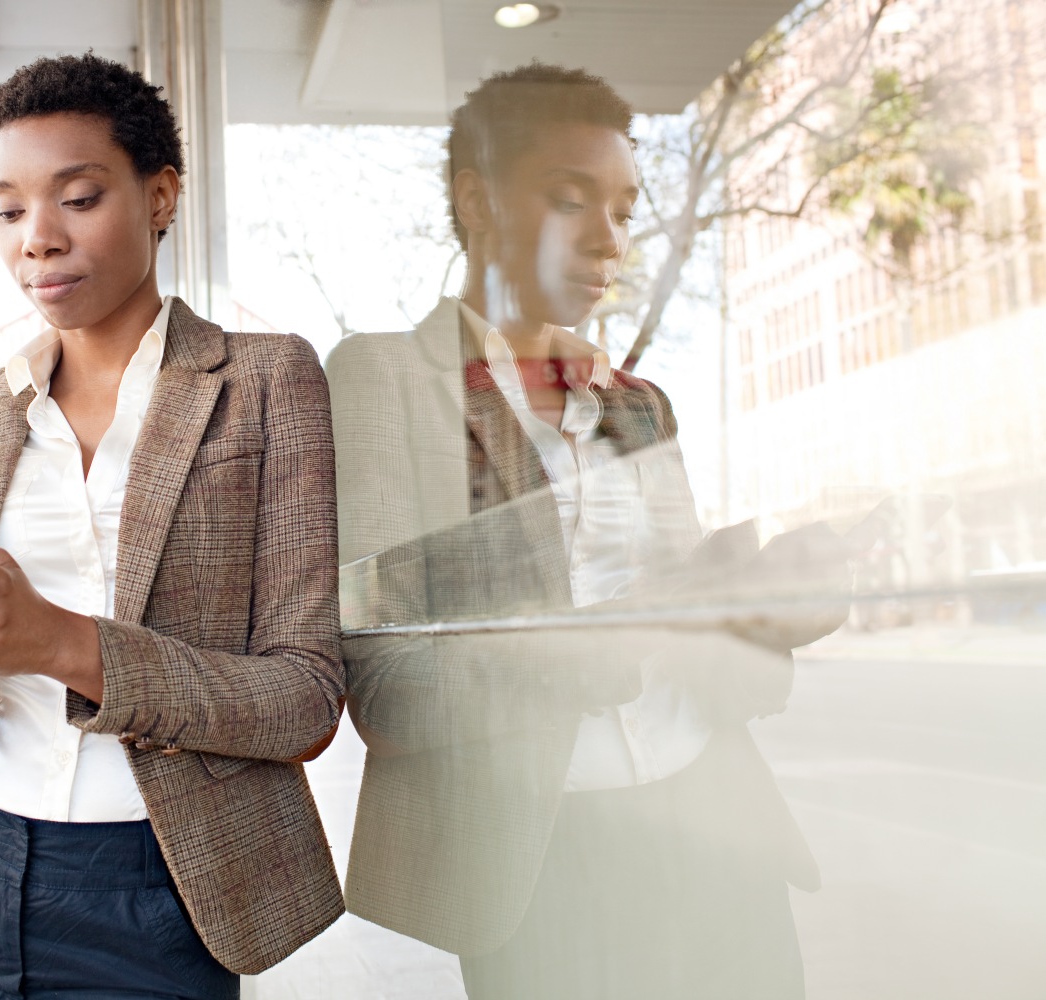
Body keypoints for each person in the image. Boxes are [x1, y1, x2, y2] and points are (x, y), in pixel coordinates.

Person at [328, 63, 847, 999]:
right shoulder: (388, 383)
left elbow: (707, 650)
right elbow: (391, 689)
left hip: (719, 827)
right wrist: (612, 638)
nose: (609, 239)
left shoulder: (640, 408)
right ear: (477, 202)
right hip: (544, 857)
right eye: (571, 201)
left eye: (623, 208)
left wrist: (770, 609)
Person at [0, 53, 344, 1000]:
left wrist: (55, 642)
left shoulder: (268, 382)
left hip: (156, 890)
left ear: (160, 196)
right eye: (9, 209)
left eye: (77, 197)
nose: (38, 238)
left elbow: (304, 699)